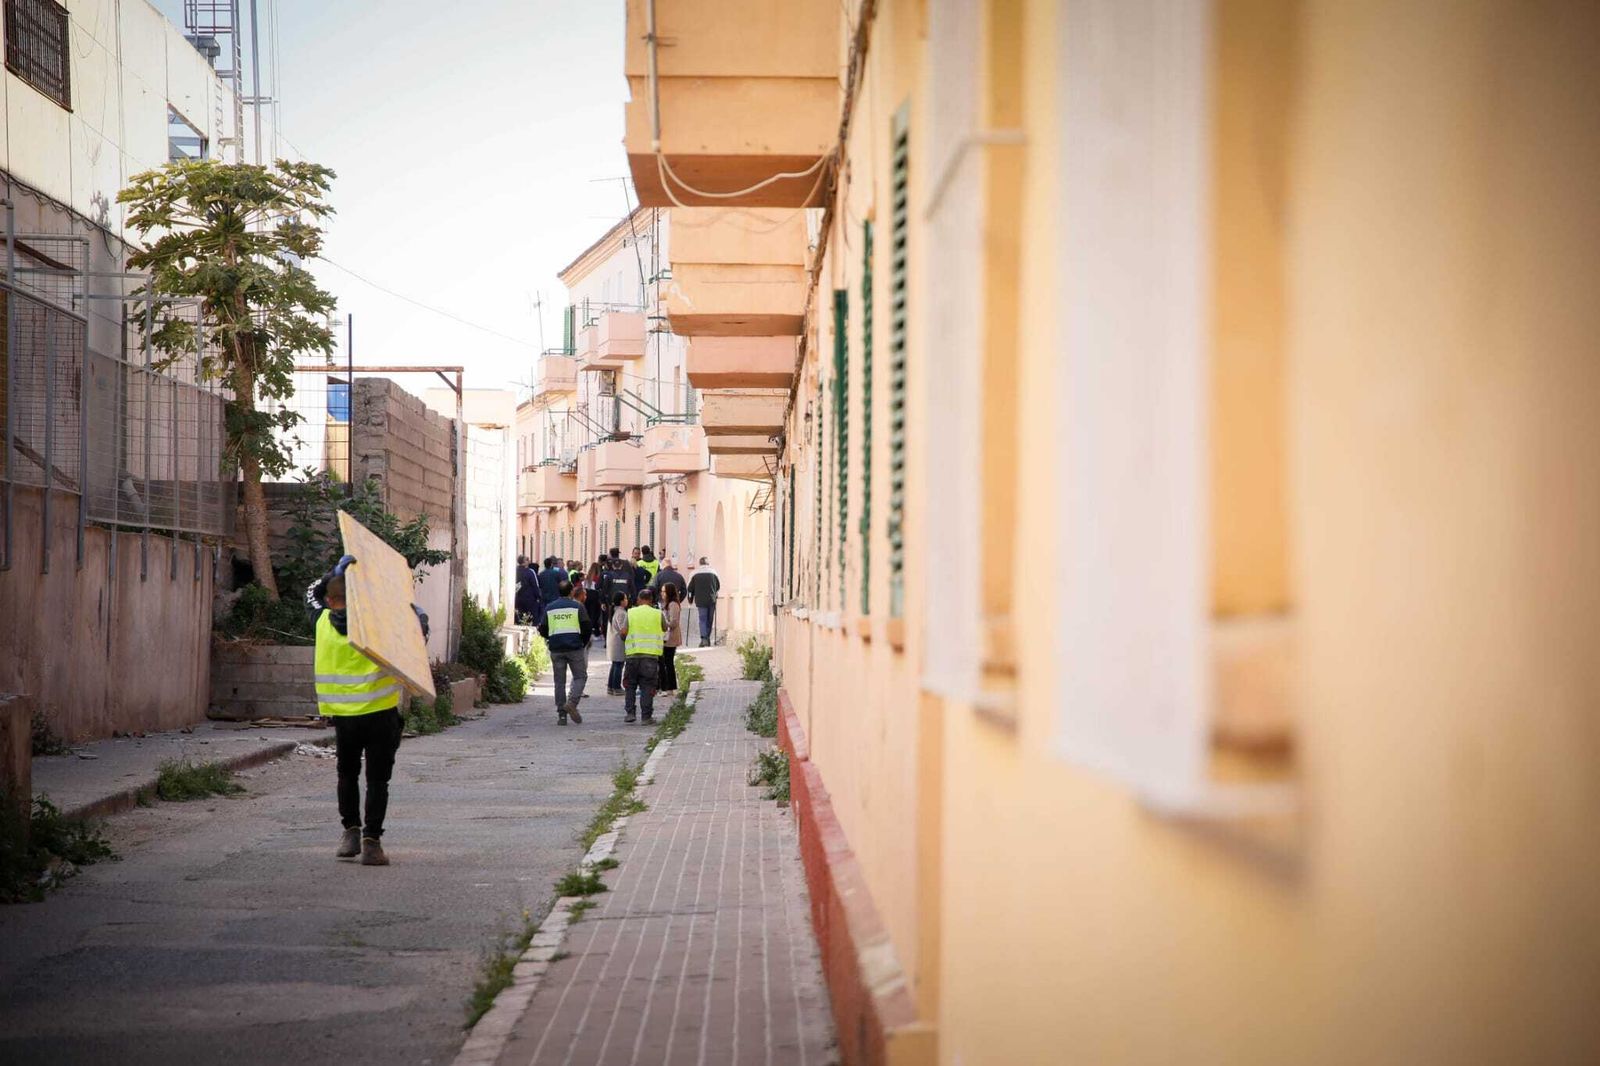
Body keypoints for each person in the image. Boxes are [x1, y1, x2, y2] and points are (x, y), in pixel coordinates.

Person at [306, 554, 427, 867]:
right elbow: (415, 644)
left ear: (331, 600)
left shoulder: (321, 621)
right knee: (377, 780)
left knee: (347, 773)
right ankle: (372, 842)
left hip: (344, 717)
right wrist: (420, 621)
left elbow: (311, 593)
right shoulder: (380, 626)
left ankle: (350, 831)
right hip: (380, 714)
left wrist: (333, 574)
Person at [537, 580, 590, 725]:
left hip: (556, 648)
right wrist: (582, 643)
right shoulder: (578, 607)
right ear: (571, 591)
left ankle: (561, 715)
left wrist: (551, 638)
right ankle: (572, 703)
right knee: (580, 676)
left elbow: (542, 629)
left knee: (559, 682)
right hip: (575, 647)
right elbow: (586, 627)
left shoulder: (550, 608)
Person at [619, 587, 665, 724]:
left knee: (630, 685)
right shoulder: (658, 613)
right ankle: (646, 717)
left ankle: (630, 713)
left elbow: (623, 632)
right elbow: (665, 627)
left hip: (632, 656)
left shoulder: (631, 612)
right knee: (648, 686)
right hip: (650, 657)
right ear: (651, 600)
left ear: (639, 599)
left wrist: (625, 639)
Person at [687, 556, 721, 647]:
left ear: (700, 563)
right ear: (708, 563)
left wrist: (690, 600)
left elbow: (690, 589)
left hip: (700, 600)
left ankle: (704, 639)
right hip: (711, 599)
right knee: (710, 619)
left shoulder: (694, 573)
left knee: (702, 619)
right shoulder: (713, 572)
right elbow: (718, 586)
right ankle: (707, 638)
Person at [660, 583, 683, 693]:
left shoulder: (673, 605)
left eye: (664, 591)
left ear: (669, 592)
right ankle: (668, 686)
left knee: (668, 662)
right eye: (661, 591)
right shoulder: (667, 604)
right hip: (666, 636)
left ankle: (671, 687)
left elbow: (674, 622)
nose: (662, 594)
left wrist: (663, 624)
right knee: (666, 662)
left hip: (671, 637)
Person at [606, 590, 630, 695]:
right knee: (619, 665)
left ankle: (610, 687)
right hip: (619, 642)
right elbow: (623, 629)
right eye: (625, 598)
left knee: (615, 664)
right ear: (621, 601)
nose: (627, 600)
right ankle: (616, 687)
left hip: (614, 642)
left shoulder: (615, 611)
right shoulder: (621, 613)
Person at [514, 555, 543, 626]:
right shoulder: (530, 572)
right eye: (527, 560)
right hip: (529, 599)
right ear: (524, 562)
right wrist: (538, 596)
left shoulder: (515, 571)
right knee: (531, 618)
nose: (529, 561)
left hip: (517, 598)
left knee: (519, 617)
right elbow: (535, 585)